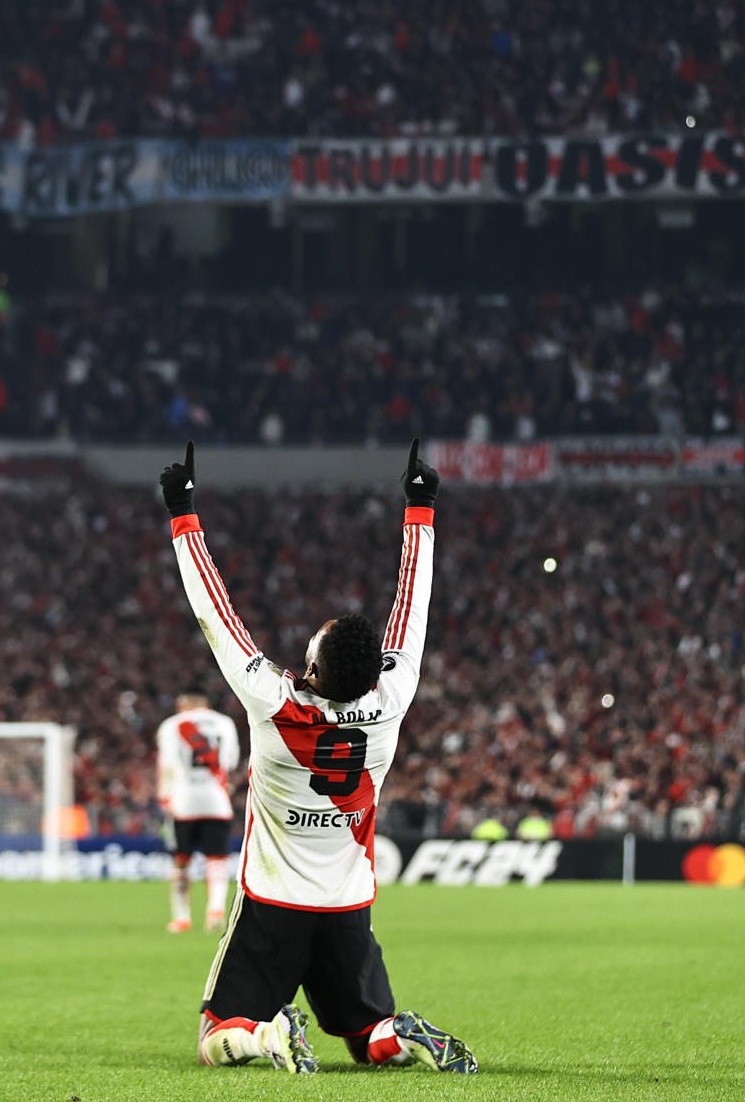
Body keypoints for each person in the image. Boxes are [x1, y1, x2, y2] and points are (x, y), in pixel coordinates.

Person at [161, 439, 476, 1075]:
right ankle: (398, 1035)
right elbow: (411, 607)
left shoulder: (273, 702)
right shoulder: (393, 693)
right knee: (367, 1037)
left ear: (310, 665)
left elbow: (215, 613)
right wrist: (421, 509)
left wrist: (182, 515)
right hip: (348, 905)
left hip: (274, 902)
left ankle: (266, 1038)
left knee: (216, 1035)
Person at [156, 689, 242, 934]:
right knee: (217, 860)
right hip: (217, 800)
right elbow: (231, 761)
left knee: (181, 861)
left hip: (183, 801)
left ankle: (181, 918)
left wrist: (164, 799)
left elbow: (168, 766)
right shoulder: (225, 723)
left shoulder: (173, 725)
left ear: (183, 702)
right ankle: (215, 911)